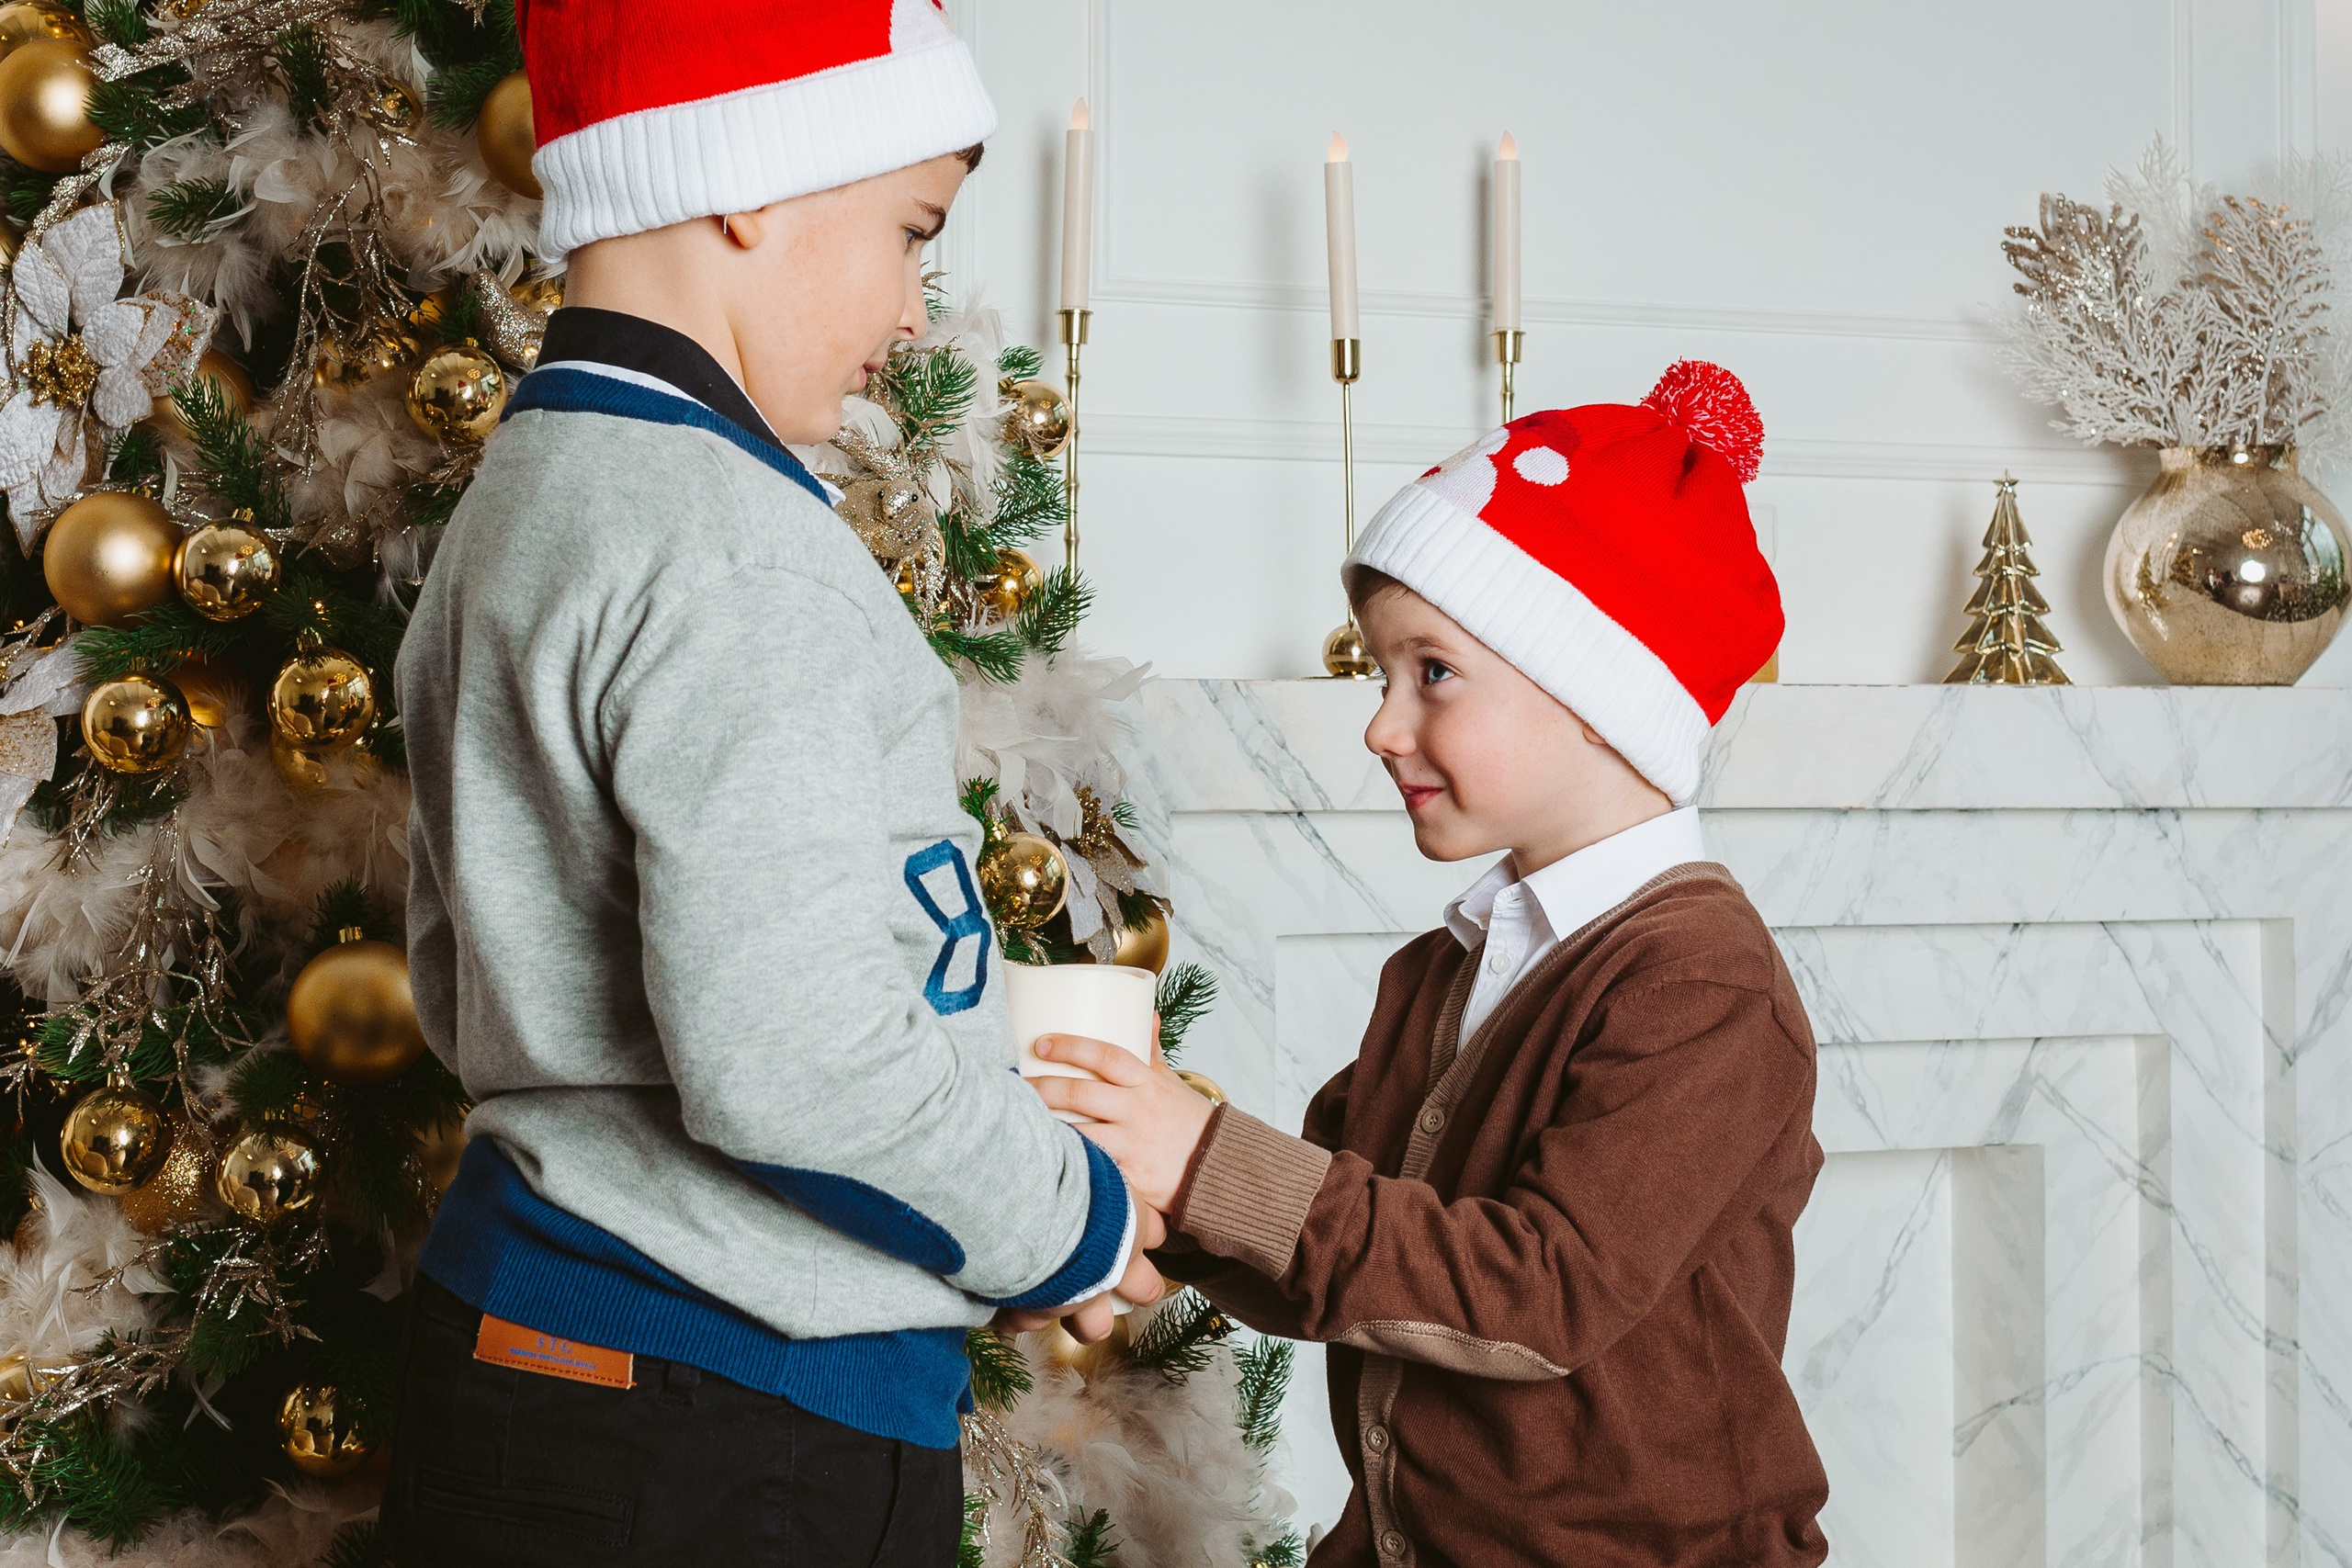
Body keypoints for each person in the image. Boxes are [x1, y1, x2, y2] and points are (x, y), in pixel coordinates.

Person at [385, 5, 1158, 1562]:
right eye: (911, 232)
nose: (918, 310)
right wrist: (1068, 1220)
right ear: (751, 181)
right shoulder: (737, 550)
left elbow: (473, 955)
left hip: (550, 1359)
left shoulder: (535, 491)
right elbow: (801, 1062)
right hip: (722, 1417)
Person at [1031, 364, 1832, 1567]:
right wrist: (1143, 1200)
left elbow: (1540, 1296)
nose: (1380, 725)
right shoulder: (1444, 969)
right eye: (1381, 675)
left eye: (1433, 672)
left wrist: (1203, 1158)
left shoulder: (1702, 986)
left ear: (1597, 693)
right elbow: (1347, 1250)